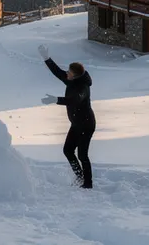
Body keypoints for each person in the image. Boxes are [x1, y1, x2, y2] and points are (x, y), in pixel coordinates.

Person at [38, 44, 95, 189]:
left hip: (86, 124)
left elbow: (75, 100)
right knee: (68, 150)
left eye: (69, 72)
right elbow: (58, 72)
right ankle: (80, 176)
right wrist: (46, 58)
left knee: (82, 155)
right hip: (76, 124)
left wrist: (56, 100)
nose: (66, 73)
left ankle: (87, 184)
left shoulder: (83, 87)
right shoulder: (71, 79)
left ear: (75, 75)